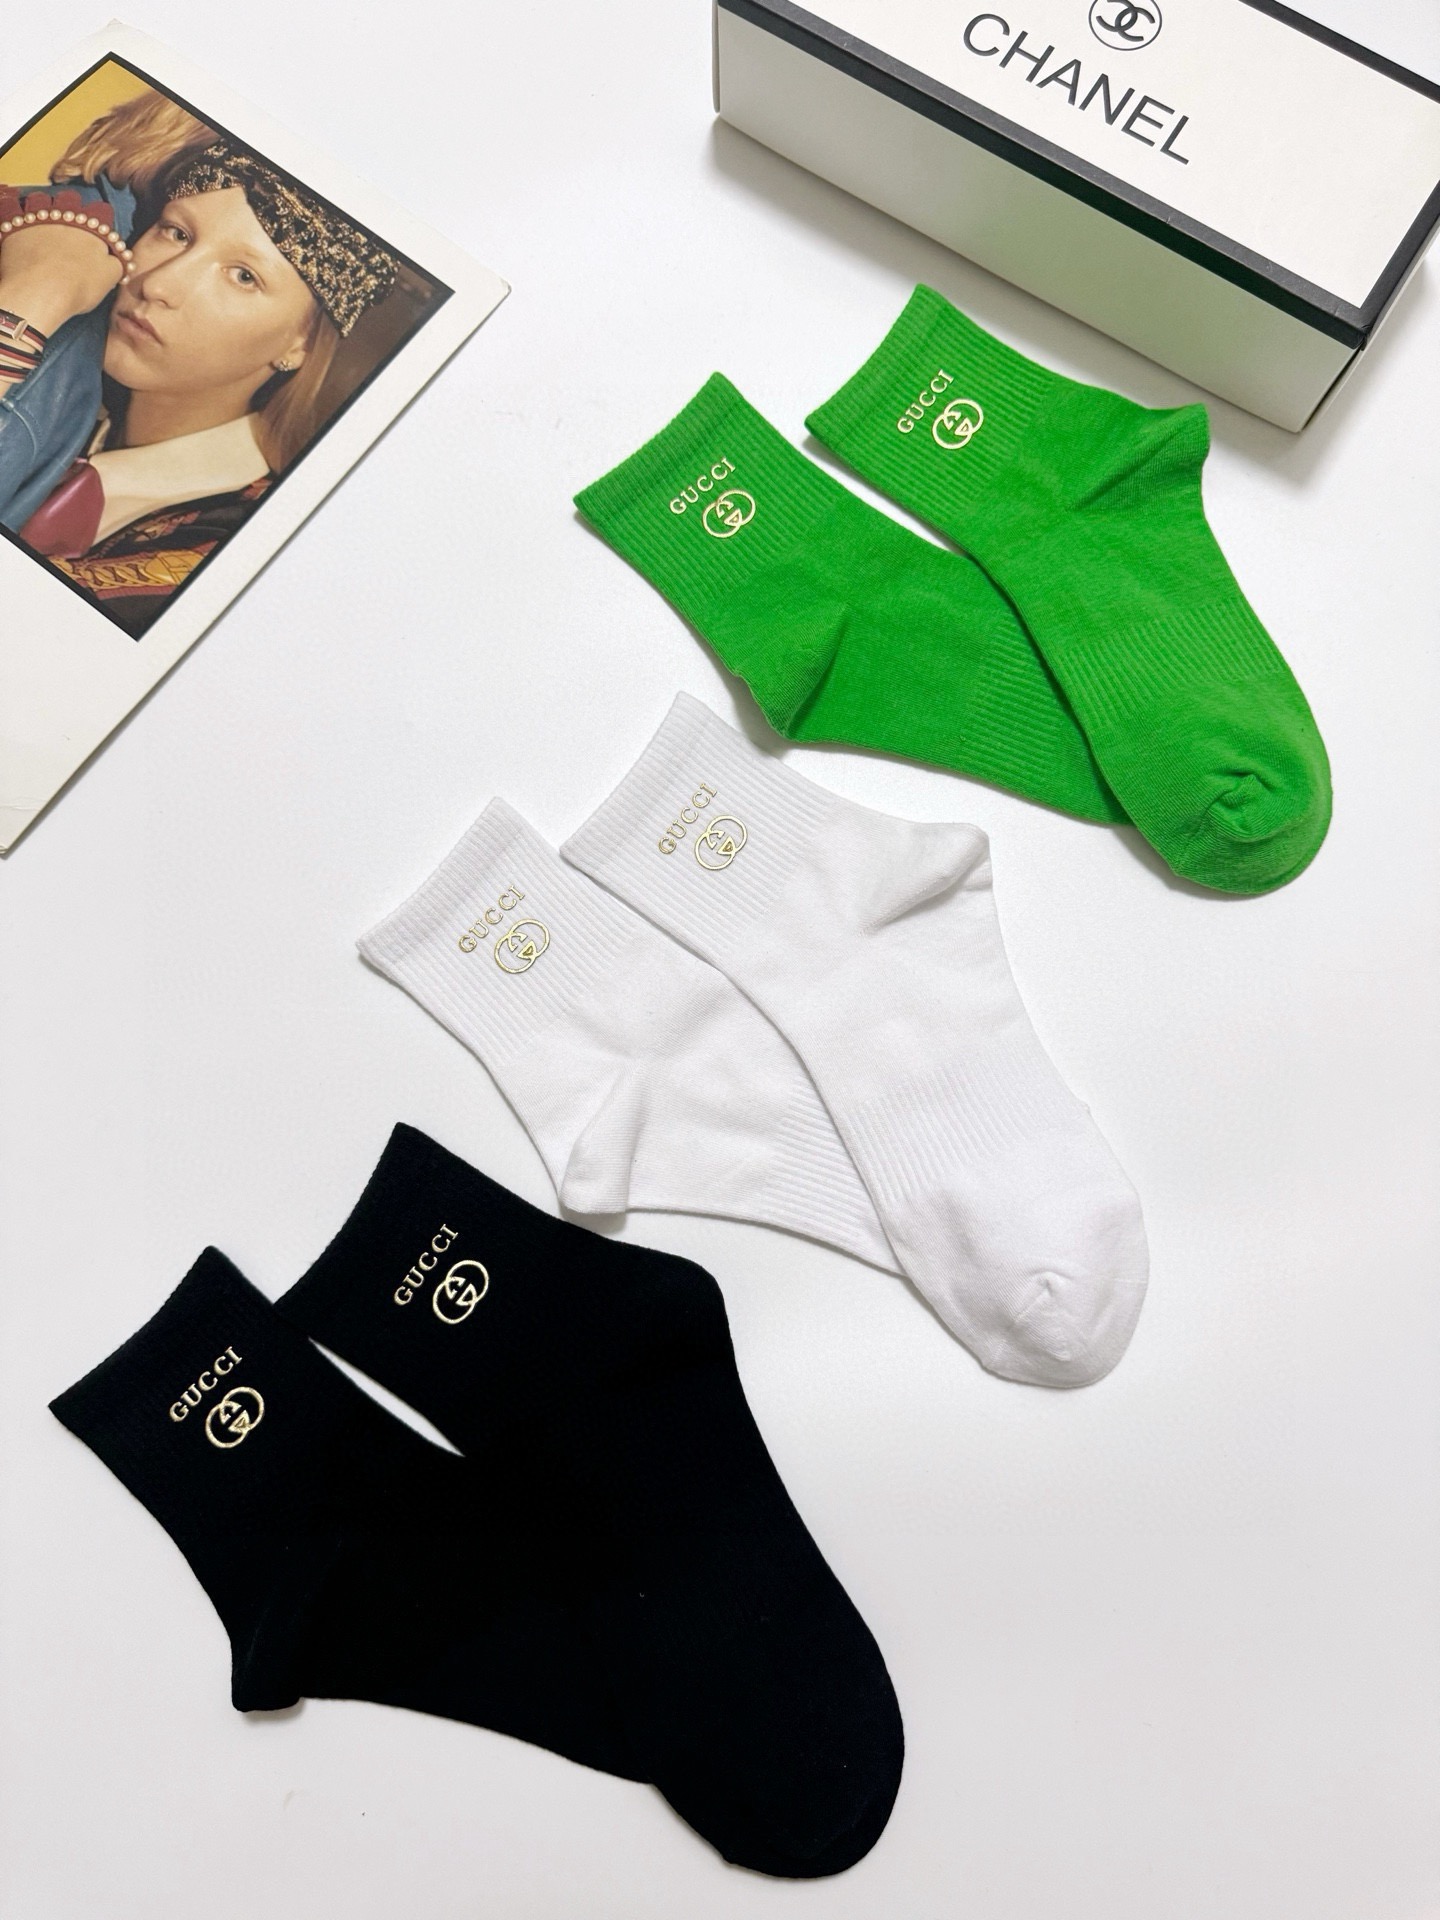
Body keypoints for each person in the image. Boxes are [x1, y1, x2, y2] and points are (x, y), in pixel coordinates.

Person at [0, 103, 399, 635]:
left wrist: (21, 317)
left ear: (299, 344)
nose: (158, 285)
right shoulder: (65, 382)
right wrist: (42, 286)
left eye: (243, 276)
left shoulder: (237, 545)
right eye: (176, 233)